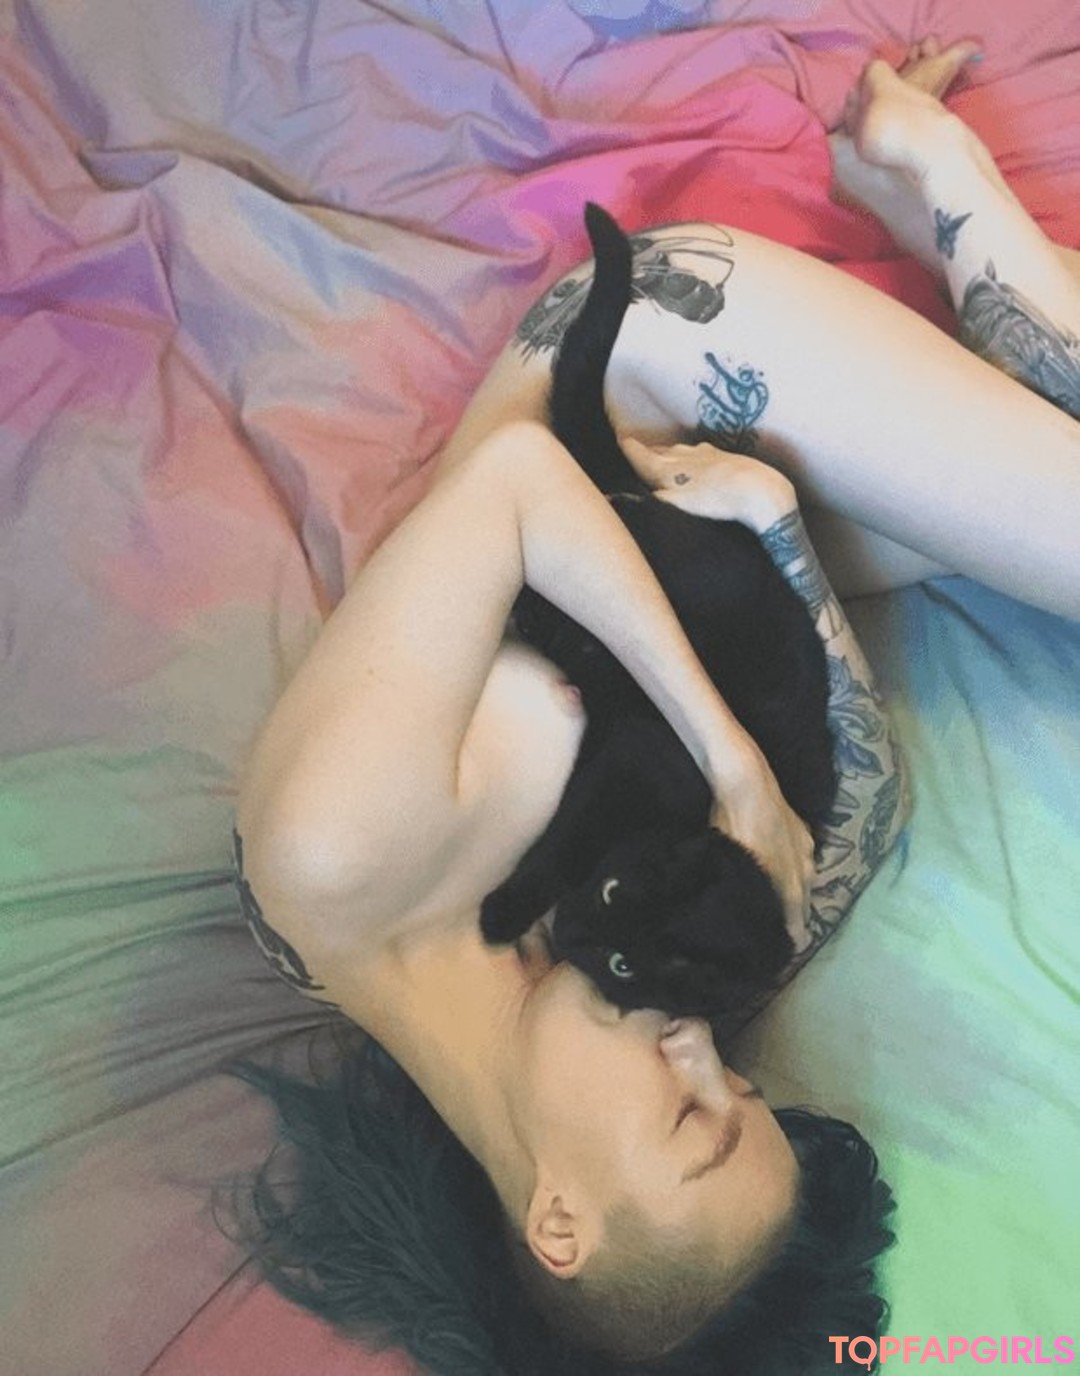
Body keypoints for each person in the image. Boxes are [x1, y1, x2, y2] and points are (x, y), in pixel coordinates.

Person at [228, 41, 1080, 1375]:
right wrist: (779, 540)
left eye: (694, 1120)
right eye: (739, 1088)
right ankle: (920, 195)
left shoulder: (330, 861)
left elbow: (517, 484)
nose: (703, 1052)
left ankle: (929, 163)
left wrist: (734, 769)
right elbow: (857, 780)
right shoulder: (629, 990)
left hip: (651, 359)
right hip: (736, 517)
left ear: (559, 1224)